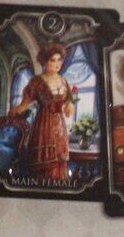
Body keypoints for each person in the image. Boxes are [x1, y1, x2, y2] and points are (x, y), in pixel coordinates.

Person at [5, 43, 73, 180]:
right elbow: (24, 105)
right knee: (42, 165)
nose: (57, 64)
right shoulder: (36, 82)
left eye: (59, 60)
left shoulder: (64, 81)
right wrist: (13, 113)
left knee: (59, 165)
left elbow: (69, 110)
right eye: (52, 60)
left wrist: (69, 108)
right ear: (44, 62)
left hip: (60, 129)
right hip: (43, 127)